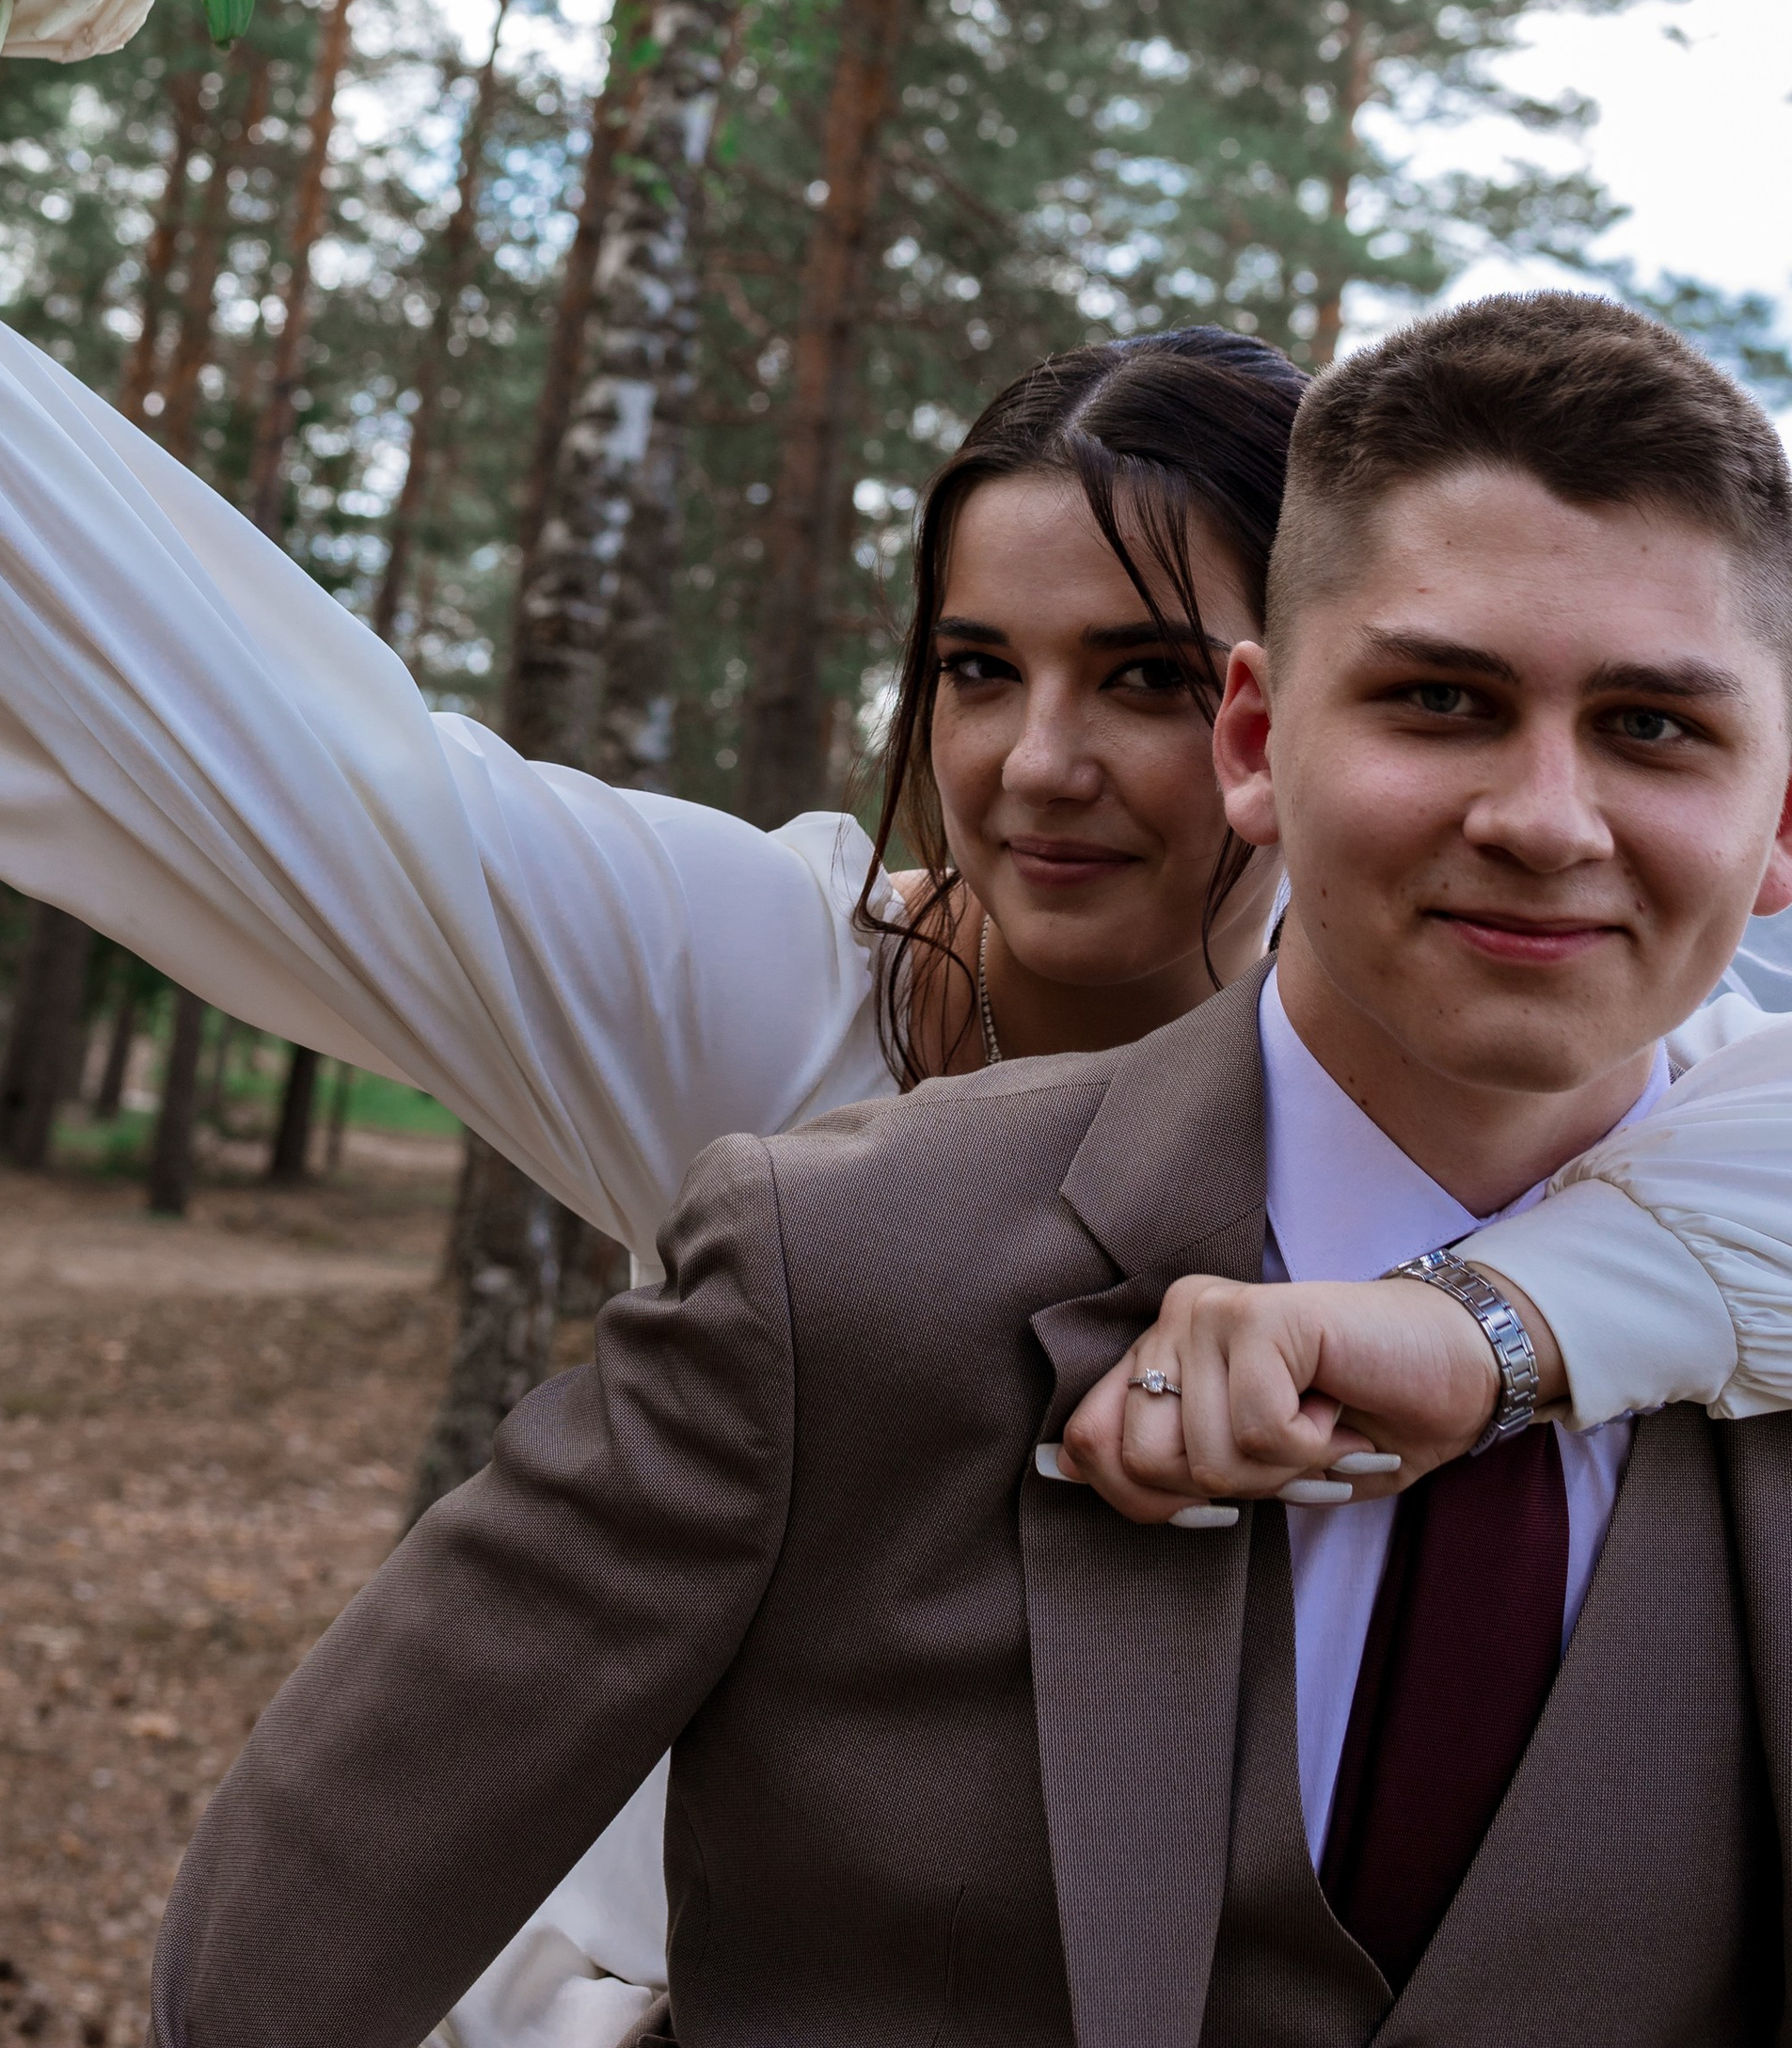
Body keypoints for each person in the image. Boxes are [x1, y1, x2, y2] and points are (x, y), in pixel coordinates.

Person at [0, 0, 1792, 2042]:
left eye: (1128, 672)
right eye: (972, 672)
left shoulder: (1630, 1061)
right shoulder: (777, 1009)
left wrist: (1475, 1329)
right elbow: (297, 763)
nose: (1030, 768)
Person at [151, 292, 1792, 2044]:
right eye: (1441, 700)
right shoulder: (837, 1263)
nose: (1545, 819)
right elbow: (273, 1968)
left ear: (1781, 821)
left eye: (1653, 727)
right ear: (1258, 743)